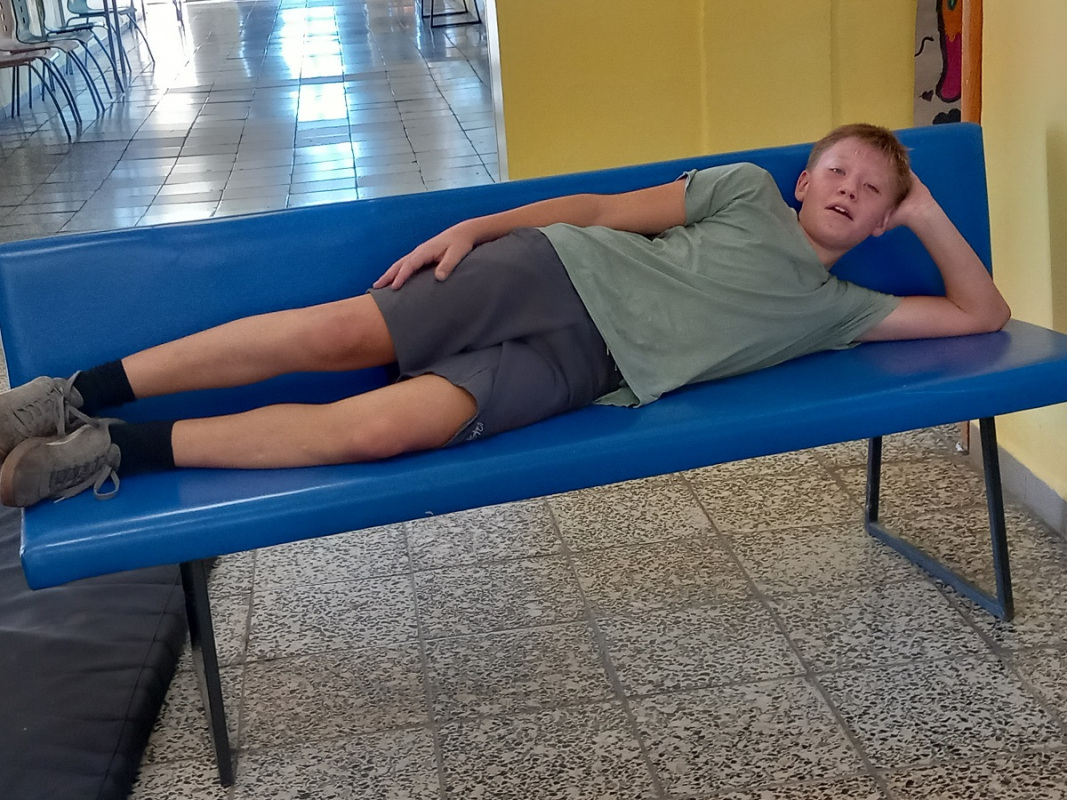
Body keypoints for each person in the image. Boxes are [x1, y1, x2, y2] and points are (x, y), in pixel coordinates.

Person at [0, 123, 1010, 508]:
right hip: (550, 270)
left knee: (382, 430)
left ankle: (113, 448)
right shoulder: (744, 189)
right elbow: (602, 211)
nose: (848, 190)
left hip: (584, 372)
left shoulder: (842, 310)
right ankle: (67, 394)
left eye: (872, 191)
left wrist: (925, 208)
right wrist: (477, 227)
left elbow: (980, 312)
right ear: (802, 180)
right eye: (837, 171)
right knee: (333, 333)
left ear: (883, 218)